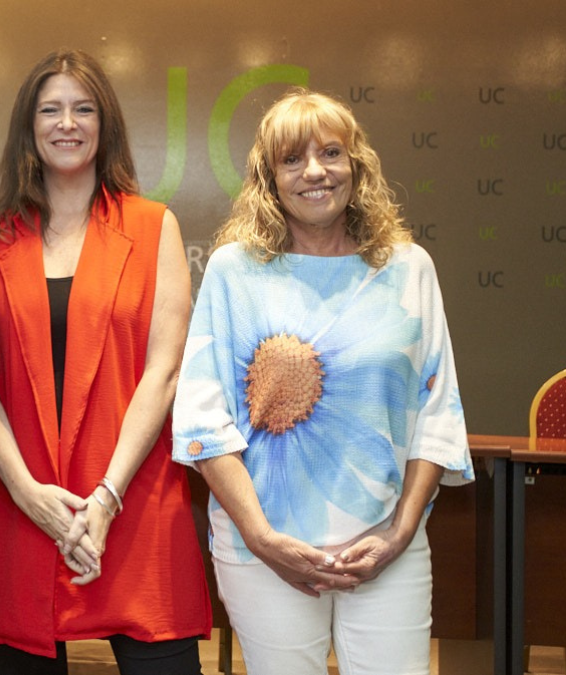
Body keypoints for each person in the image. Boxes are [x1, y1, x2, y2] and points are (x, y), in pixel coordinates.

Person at [172, 88, 474, 675]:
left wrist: (401, 531)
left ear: (356, 166)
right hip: (263, 551)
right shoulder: (235, 271)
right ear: (269, 176)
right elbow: (205, 421)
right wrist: (262, 540)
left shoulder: (409, 268)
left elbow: (436, 411)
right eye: (293, 159)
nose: (315, 171)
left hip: (388, 547)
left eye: (331, 153)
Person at [0, 49, 212, 675]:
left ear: (105, 125)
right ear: (29, 126)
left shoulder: (154, 227)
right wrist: (26, 491)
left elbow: (165, 371)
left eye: (83, 108)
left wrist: (105, 497)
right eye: (50, 109)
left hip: (134, 495)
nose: (67, 123)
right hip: (20, 500)